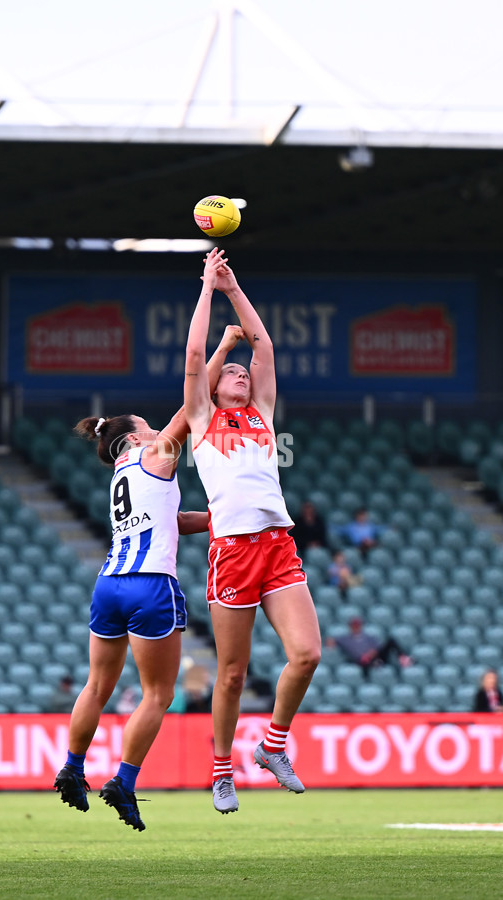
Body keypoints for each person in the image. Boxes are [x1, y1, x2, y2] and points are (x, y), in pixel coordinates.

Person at [53, 273, 245, 831]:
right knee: (158, 693)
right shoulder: (154, 455)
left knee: (97, 685)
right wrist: (226, 345)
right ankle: (124, 781)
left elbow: (169, 519)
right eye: (145, 425)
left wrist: (216, 521)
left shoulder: (121, 474)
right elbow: (194, 403)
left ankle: (71, 766)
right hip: (150, 587)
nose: (152, 426)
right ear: (134, 437)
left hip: (109, 584)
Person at [184, 246, 321, 815]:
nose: (241, 371)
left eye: (244, 373)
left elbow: (263, 345)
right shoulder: (200, 419)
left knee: (307, 654)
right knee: (233, 674)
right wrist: (207, 291)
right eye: (231, 373)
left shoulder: (262, 414)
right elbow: (195, 353)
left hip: (277, 545)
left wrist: (235, 287)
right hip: (233, 552)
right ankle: (221, 772)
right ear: (216, 389)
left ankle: (272, 746)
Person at [327, 617, 412, 677]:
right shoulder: (345, 639)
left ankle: (403, 658)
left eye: (357, 625)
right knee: (362, 664)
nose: (356, 627)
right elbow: (331, 640)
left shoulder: (368, 637)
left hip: (373, 657)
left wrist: (369, 654)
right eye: (354, 625)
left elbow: (377, 648)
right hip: (360, 661)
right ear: (350, 627)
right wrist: (330, 645)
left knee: (390, 641)